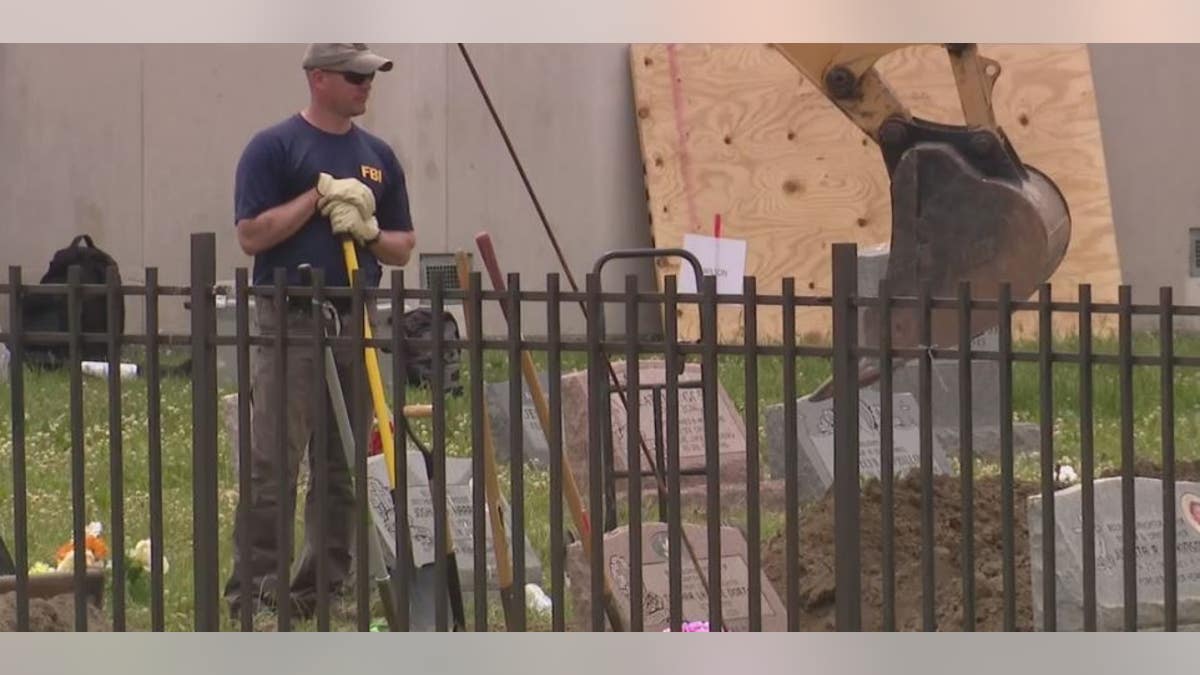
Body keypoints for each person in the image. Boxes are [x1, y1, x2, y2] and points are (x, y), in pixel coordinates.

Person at [224, 43, 416, 621]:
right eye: (354, 75)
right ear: (317, 79)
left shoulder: (379, 156)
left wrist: (367, 227)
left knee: (342, 464)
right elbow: (251, 235)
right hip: (291, 316)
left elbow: (404, 246)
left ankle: (322, 586)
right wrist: (318, 197)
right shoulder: (274, 147)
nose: (366, 85)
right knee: (274, 462)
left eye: (370, 75)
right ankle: (257, 591)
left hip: (354, 315)